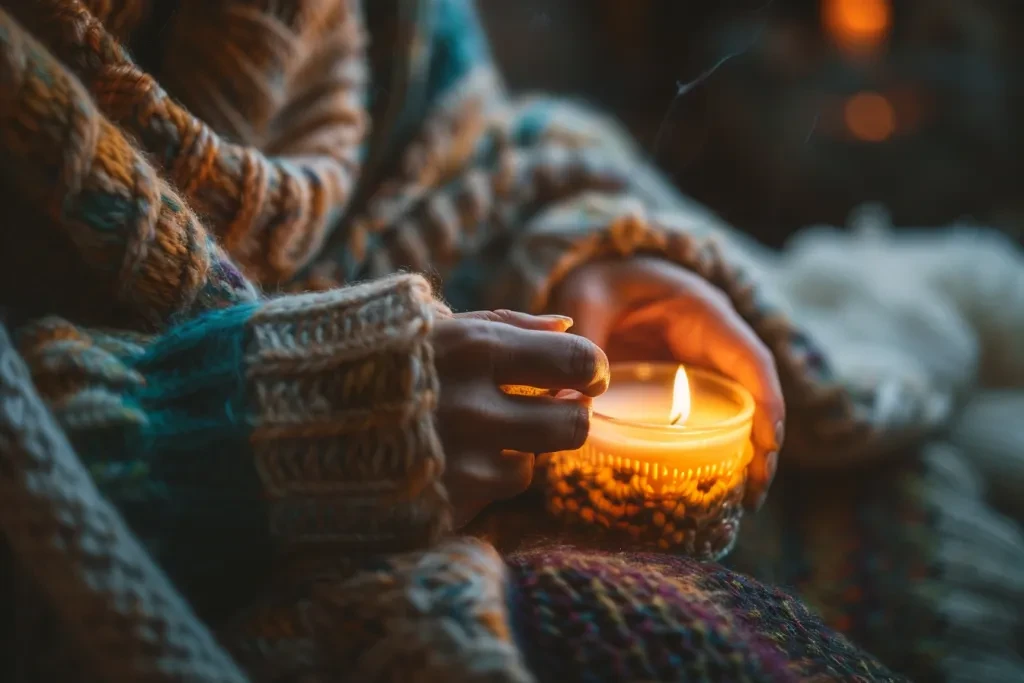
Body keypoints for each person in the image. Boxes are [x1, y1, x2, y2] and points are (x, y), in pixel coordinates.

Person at [0, 1, 1017, 682]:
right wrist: (225, 434)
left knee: (902, 504)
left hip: (496, 472)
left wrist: (582, 258)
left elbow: (463, 147)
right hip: (138, 544)